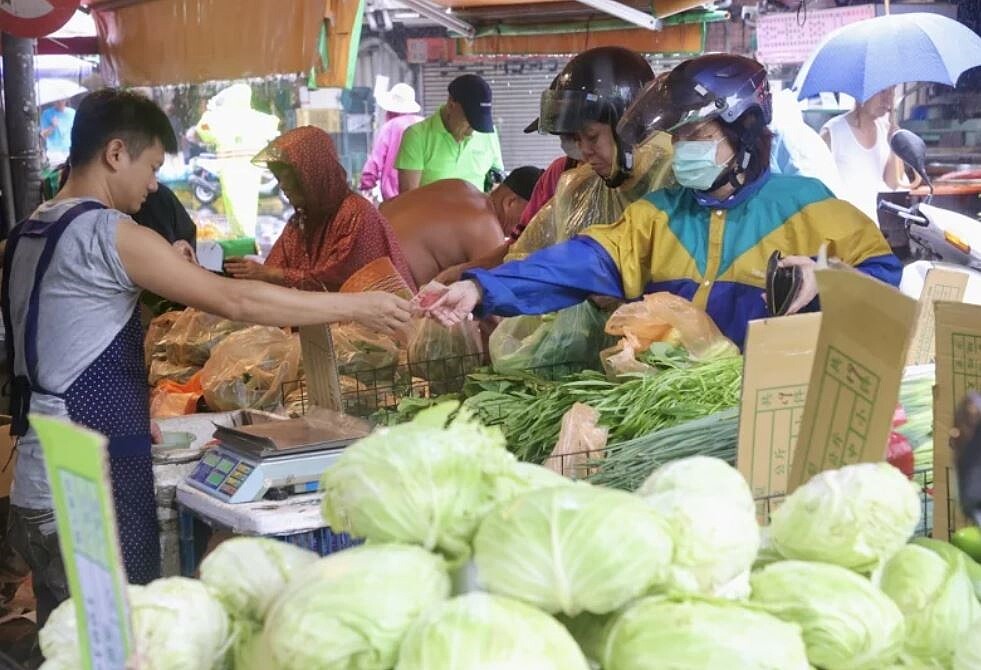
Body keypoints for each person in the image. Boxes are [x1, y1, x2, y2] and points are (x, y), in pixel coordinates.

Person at [1, 90, 411, 627]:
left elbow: (73, 330)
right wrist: (359, 304)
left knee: (73, 643)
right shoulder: (109, 232)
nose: (153, 186)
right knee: (122, 643)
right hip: (84, 483)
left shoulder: (32, 228)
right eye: (151, 168)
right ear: (116, 153)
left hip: (38, 473)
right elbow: (237, 300)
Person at [421, 54, 902, 350]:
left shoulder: (807, 206)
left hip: (766, 409)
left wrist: (834, 280)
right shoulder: (660, 213)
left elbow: (886, 288)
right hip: (678, 416)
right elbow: (578, 261)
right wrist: (481, 289)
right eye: (677, 137)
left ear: (745, 131)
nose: (681, 149)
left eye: (697, 135)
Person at [435, 48, 673, 288]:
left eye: (590, 136)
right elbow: (528, 253)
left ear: (629, 124)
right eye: (574, 138)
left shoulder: (670, 182)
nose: (584, 150)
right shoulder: (571, 183)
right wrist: (476, 283)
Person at [224, 126, 416, 293]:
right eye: (278, 178)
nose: (283, 186)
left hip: (374, 327)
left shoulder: (356, 213)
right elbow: (276, 266)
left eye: (287, 177)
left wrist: (269, 274)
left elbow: (335, 283)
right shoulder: (301, 221)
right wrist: (248, 273)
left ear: (312, 174)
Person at [381, 165, 543, 287]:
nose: (529, 227)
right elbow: (493, 313)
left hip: (366, 258)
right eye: (532, 216)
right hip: (383, 286)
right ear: (511, 202)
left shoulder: (460, 186)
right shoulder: (486, 225)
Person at [191, 84, 280, 238]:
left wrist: (211, 110)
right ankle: (247, 237)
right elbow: (274, 125)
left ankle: (241, 237)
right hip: (251, 168)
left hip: (228, 167)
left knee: (233, 204)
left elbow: (201, 129)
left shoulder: (218, 117)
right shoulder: (257, 118)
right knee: (248, 204)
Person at [395, 74, 504, 193]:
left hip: (479, 211)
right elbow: (408, 200)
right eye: (469, 121)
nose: (472, 131)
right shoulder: (417, 136)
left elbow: (497, 180)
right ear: (452, 104)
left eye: (478, 124)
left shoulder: (488, 133)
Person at [821, 86, 906, 221]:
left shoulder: (886, 131)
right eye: (883, 90)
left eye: (892, 91)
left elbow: (893, 184)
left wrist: (895, 143)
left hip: (874, 230)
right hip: (842, 227)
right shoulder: (833, 132)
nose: (888, 99)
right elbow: (818, 189)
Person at [360, 83, 424, 201]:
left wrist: (367, 184)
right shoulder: (424, 124)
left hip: (395, 197)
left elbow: (375, 160)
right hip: (425, 195)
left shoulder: (390, 127)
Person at [40, 98, 76, 164]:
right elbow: (43, 135)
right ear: (53, 101)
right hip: (55, 152)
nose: (60, 102)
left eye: (62, 100)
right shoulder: (47, 113)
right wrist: (53, 126)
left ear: (66, 100)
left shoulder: (72, 113)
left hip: (70, 150)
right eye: (57, 101)